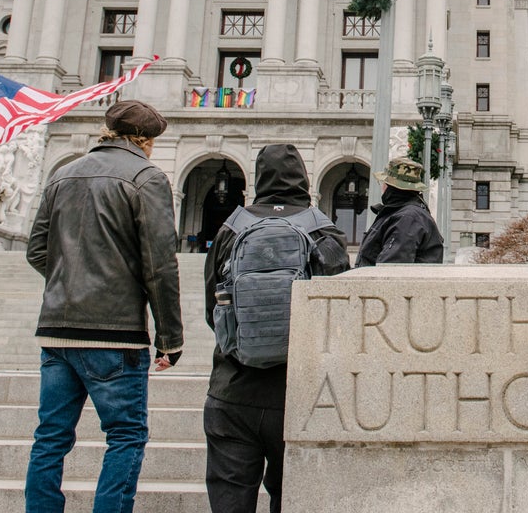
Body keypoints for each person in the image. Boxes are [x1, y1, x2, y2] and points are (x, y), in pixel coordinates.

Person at [24, 100, 183, 513]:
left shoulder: (62, 173)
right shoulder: (147, 178)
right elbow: (160, 264)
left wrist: (68, 283)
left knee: (50, 438)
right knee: (126, 435)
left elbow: (37, 250)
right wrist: (170, 337)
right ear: (145, 141)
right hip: (115, 334)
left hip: (57, 330)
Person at [203, 144, 349, 513]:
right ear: (303, 177)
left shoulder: (230, 230)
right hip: (301, 394)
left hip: (233, 390)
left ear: (259, 178)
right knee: (293, 500)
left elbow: (213, 311)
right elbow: (340, 316)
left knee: (230, 501)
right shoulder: (325, 232)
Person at [354, 157, 444, 266]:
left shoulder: (407, 218)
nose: (382, 187)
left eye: (383, 182)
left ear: (389, 186)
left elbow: (391, 267)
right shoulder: (404, 214)